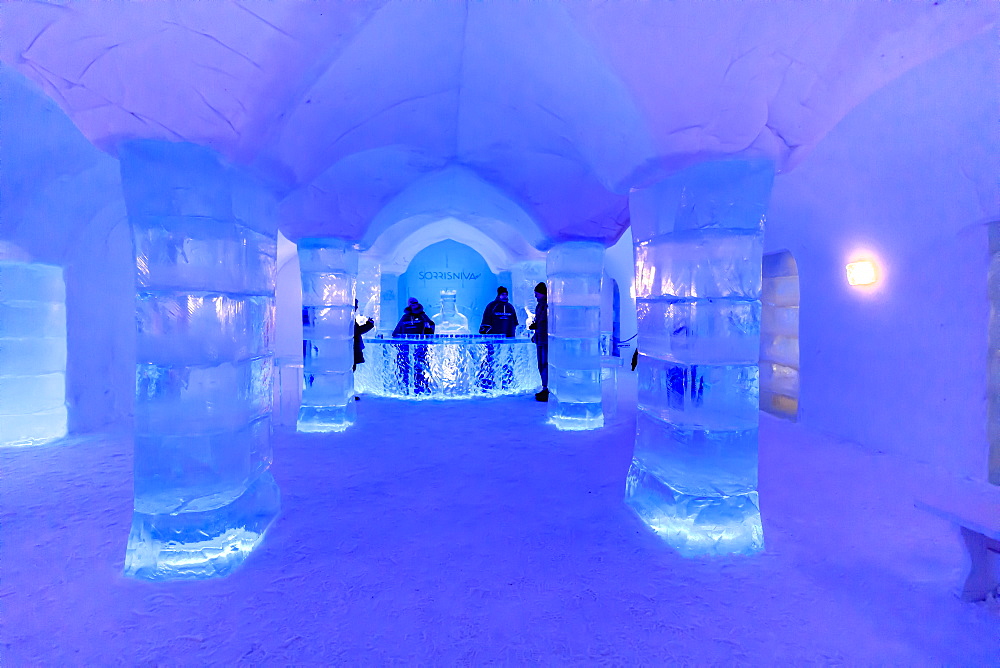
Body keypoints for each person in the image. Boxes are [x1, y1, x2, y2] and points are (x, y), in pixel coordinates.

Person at [392, 298, 435, 394]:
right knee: (404, 366)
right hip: (405, 346)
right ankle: (403, 387)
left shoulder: (423, 316)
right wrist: (396, 340)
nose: (414, 305)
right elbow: (397, 330)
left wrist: (428, 336)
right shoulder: (405, 317)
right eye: (412, 304)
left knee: (419, 366)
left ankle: (420, 387)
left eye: (416, 303)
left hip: (420, 345)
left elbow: (430, 327)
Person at [528, 281, 548, 401]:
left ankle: (546, 388)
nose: (535, 296)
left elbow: (546, 323)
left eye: (537, 294)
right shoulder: (539, 306)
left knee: (545, 363)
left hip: (545, 339)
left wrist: (537, 327)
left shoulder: (546, 306)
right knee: (541, 364)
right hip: (540, 338)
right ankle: (544, 386)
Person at [352, 300, 376, 400]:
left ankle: (349, 393)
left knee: (351, 369)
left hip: (352, 347)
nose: (357, 308)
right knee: (351, 370)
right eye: (355, 305)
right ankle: (348, 393)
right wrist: (369, 325)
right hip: (352, 348)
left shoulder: (347, 317)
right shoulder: (348, 317)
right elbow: (356, 331)